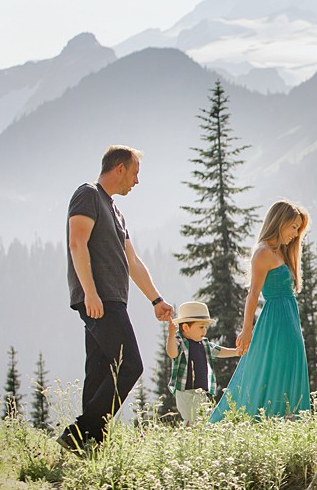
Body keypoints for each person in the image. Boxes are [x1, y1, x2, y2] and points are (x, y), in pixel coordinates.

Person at [59, 145, 173, 454]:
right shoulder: (88, 194)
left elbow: (132, 262)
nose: (137, 181)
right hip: (99, 299)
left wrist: (156, 300)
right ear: (119, 168)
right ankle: (80, 432)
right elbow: (77, 243)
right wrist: (90, 292)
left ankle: (88, 447)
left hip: (112, 299)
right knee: (130, 365)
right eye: (135, 173)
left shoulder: (116, 211)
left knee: (99, 371)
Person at [210, 200, 311, 420]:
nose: (296, 234)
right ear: (280, 222)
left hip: (289, 317)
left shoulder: (282, 251)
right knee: (271, 366)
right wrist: (247, 329)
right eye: (293, 227)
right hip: (275, 318)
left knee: (291, 362)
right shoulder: (263, 252)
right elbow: (253, 293)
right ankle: (269, 418)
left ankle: (291, 419)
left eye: (298, 229)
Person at [165, 300, 239, 425]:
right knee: (190, 418)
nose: (204, 331)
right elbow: (172, 353)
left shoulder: (203, 343)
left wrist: (236, 352)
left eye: (205, 327)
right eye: (201, 327)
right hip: (185, 391)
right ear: (186, 327)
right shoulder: (180, 341)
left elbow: (218, 351)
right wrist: (171, 335)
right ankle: (187, 435)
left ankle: (195, 435)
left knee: (201, 418)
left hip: (201, 390)